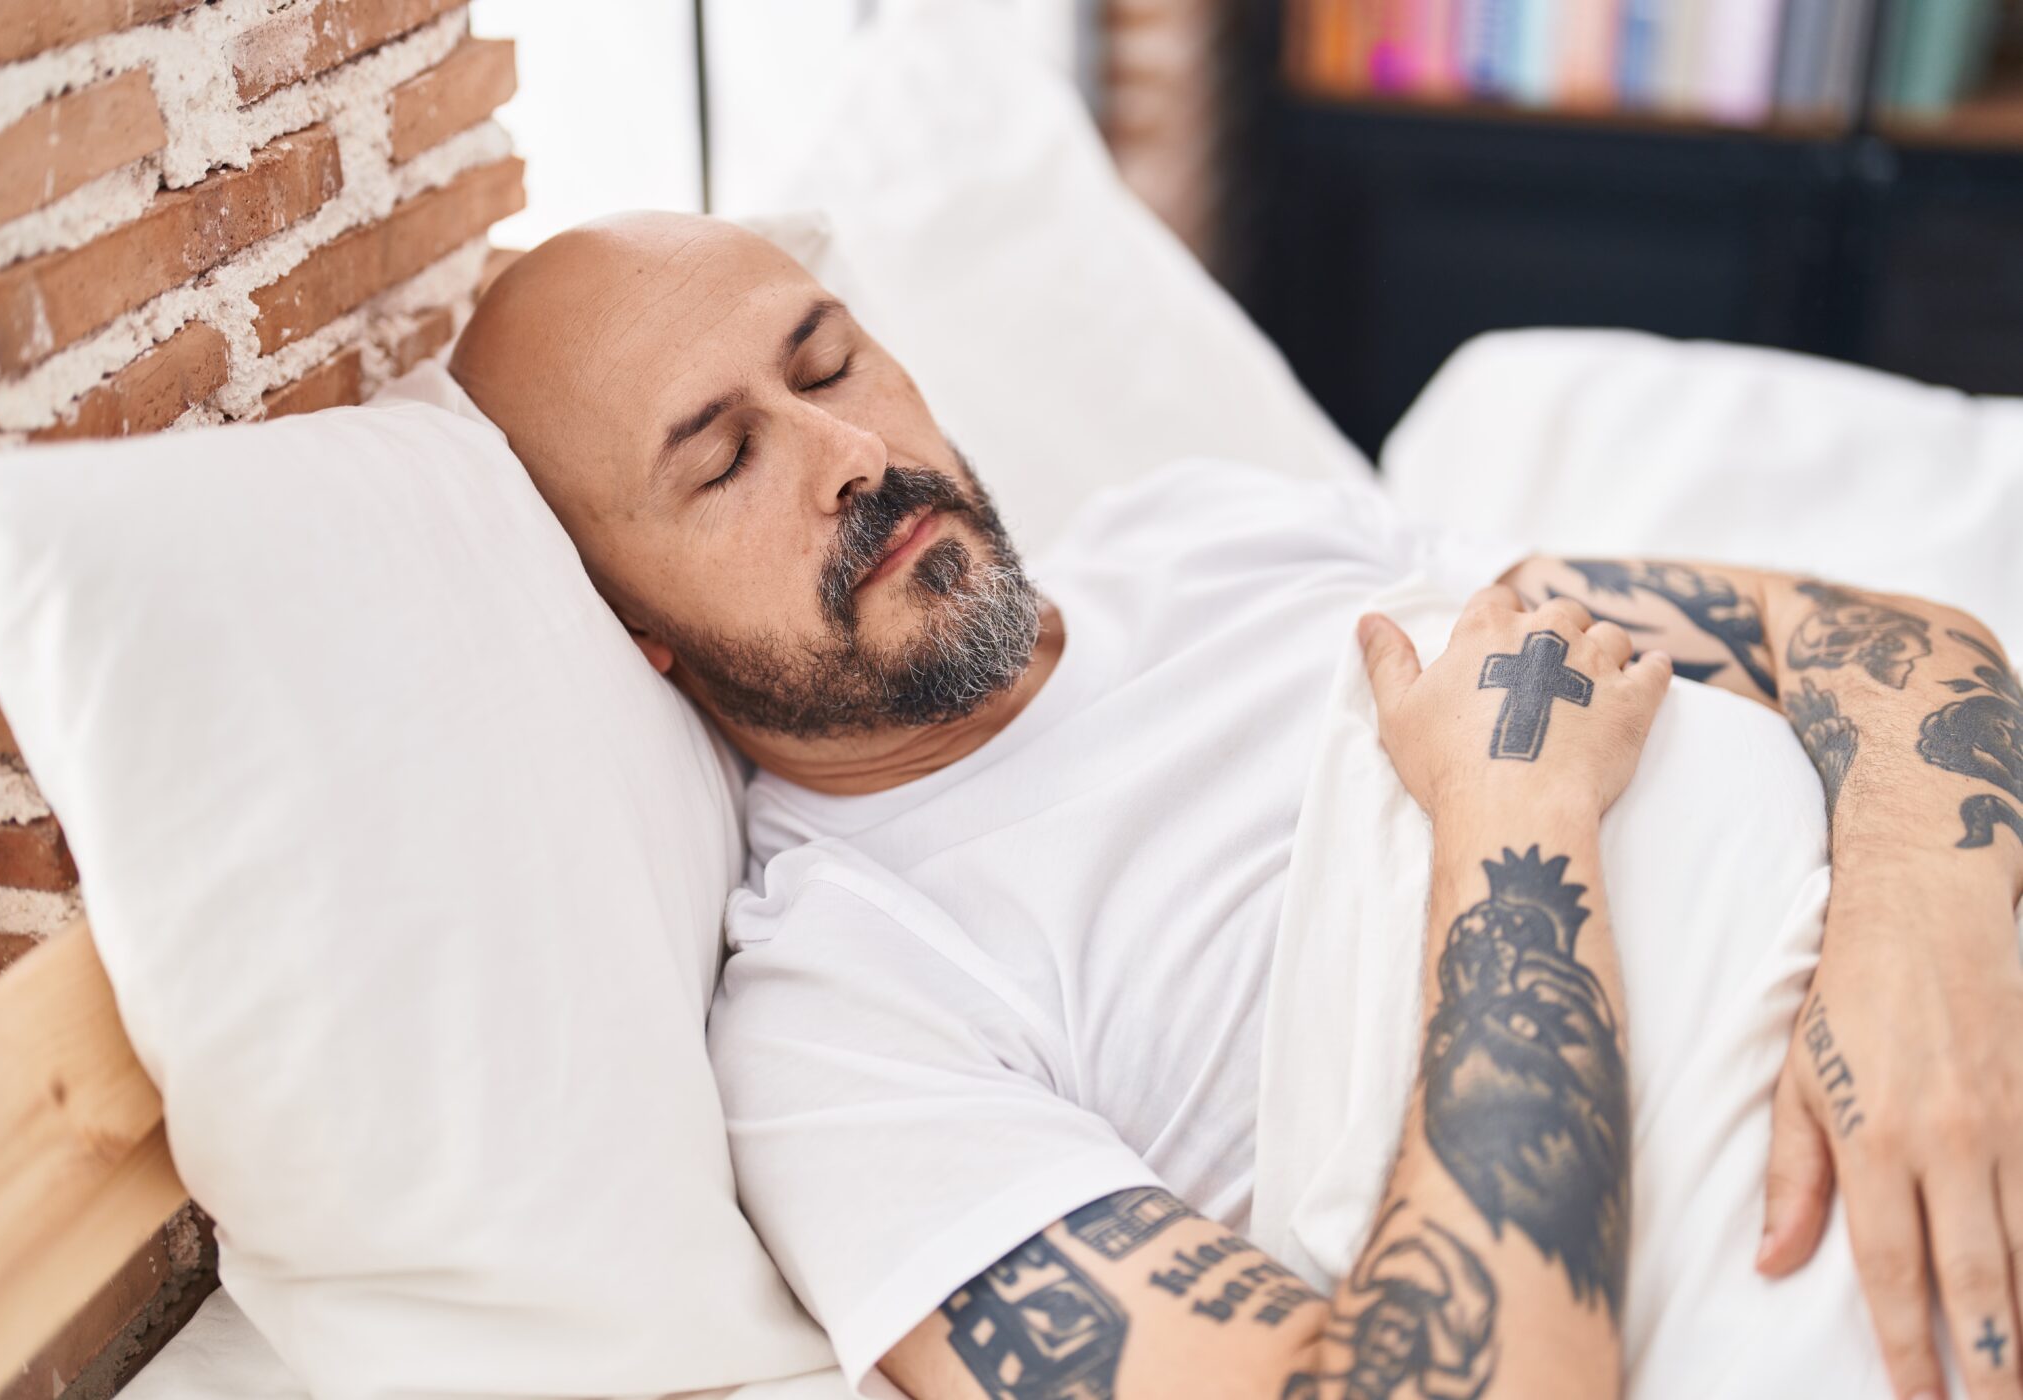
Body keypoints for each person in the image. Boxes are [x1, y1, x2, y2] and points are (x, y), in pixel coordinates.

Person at [449, 211, 2023, 1400]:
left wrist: (1915, 957)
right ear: (629, 624)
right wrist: (1508, 823)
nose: (851, 453)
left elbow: (1882, 645)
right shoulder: (840, 1021)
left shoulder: (1209, 536)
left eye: (829, 361)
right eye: (725, 461)